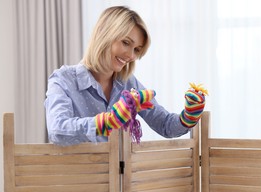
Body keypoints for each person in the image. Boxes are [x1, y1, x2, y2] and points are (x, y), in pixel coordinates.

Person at [44, 6, 207, 146]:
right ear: (104, 35)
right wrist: (106, 122)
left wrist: (188, 117)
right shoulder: (63, 79)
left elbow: (164, 124)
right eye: (126, 43)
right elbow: (57, 130)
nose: (130, 55)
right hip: (81, 180)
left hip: (122, 180)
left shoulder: (128, 84)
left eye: (137, 49)